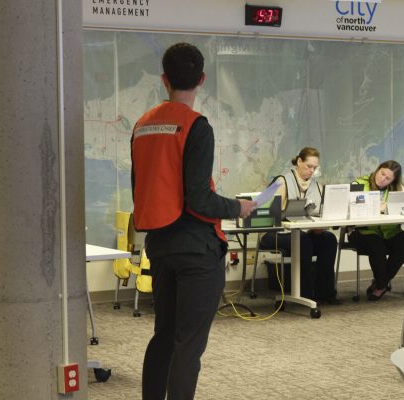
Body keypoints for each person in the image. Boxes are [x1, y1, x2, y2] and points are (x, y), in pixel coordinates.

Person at [131, 42, 255, 400]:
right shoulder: (196, 126)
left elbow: (144, 189)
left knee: (164, 336)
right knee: (188, 345)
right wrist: (238, 207)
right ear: (201, 79)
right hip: (197, 251)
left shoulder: (142, 125)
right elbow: (199, 199)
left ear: (163, 79)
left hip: (160, 245)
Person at [259, 147, 339, 305]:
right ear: (299, 162)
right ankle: (305, 294)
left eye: (315, 168)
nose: (312, 170)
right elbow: (265, 209)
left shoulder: (317, 186)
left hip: (304, 233)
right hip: (275, 234)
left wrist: (319, 226)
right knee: (303, 241)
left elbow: (320, 213)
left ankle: (325, 293)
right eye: (309, 166)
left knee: (329, 239)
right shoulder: (281, 181)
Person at [349, 160, 404, 300]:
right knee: (376, 244)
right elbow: (351, 209)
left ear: (393, 181)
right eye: (382, 173)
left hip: (389, 231)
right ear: (377, 169)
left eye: (388, 178)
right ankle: (382, 285)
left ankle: (379, 284)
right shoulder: (359, 184)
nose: (383, 179)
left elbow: (403, 211)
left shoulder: (398, 189)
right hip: (364, 232)